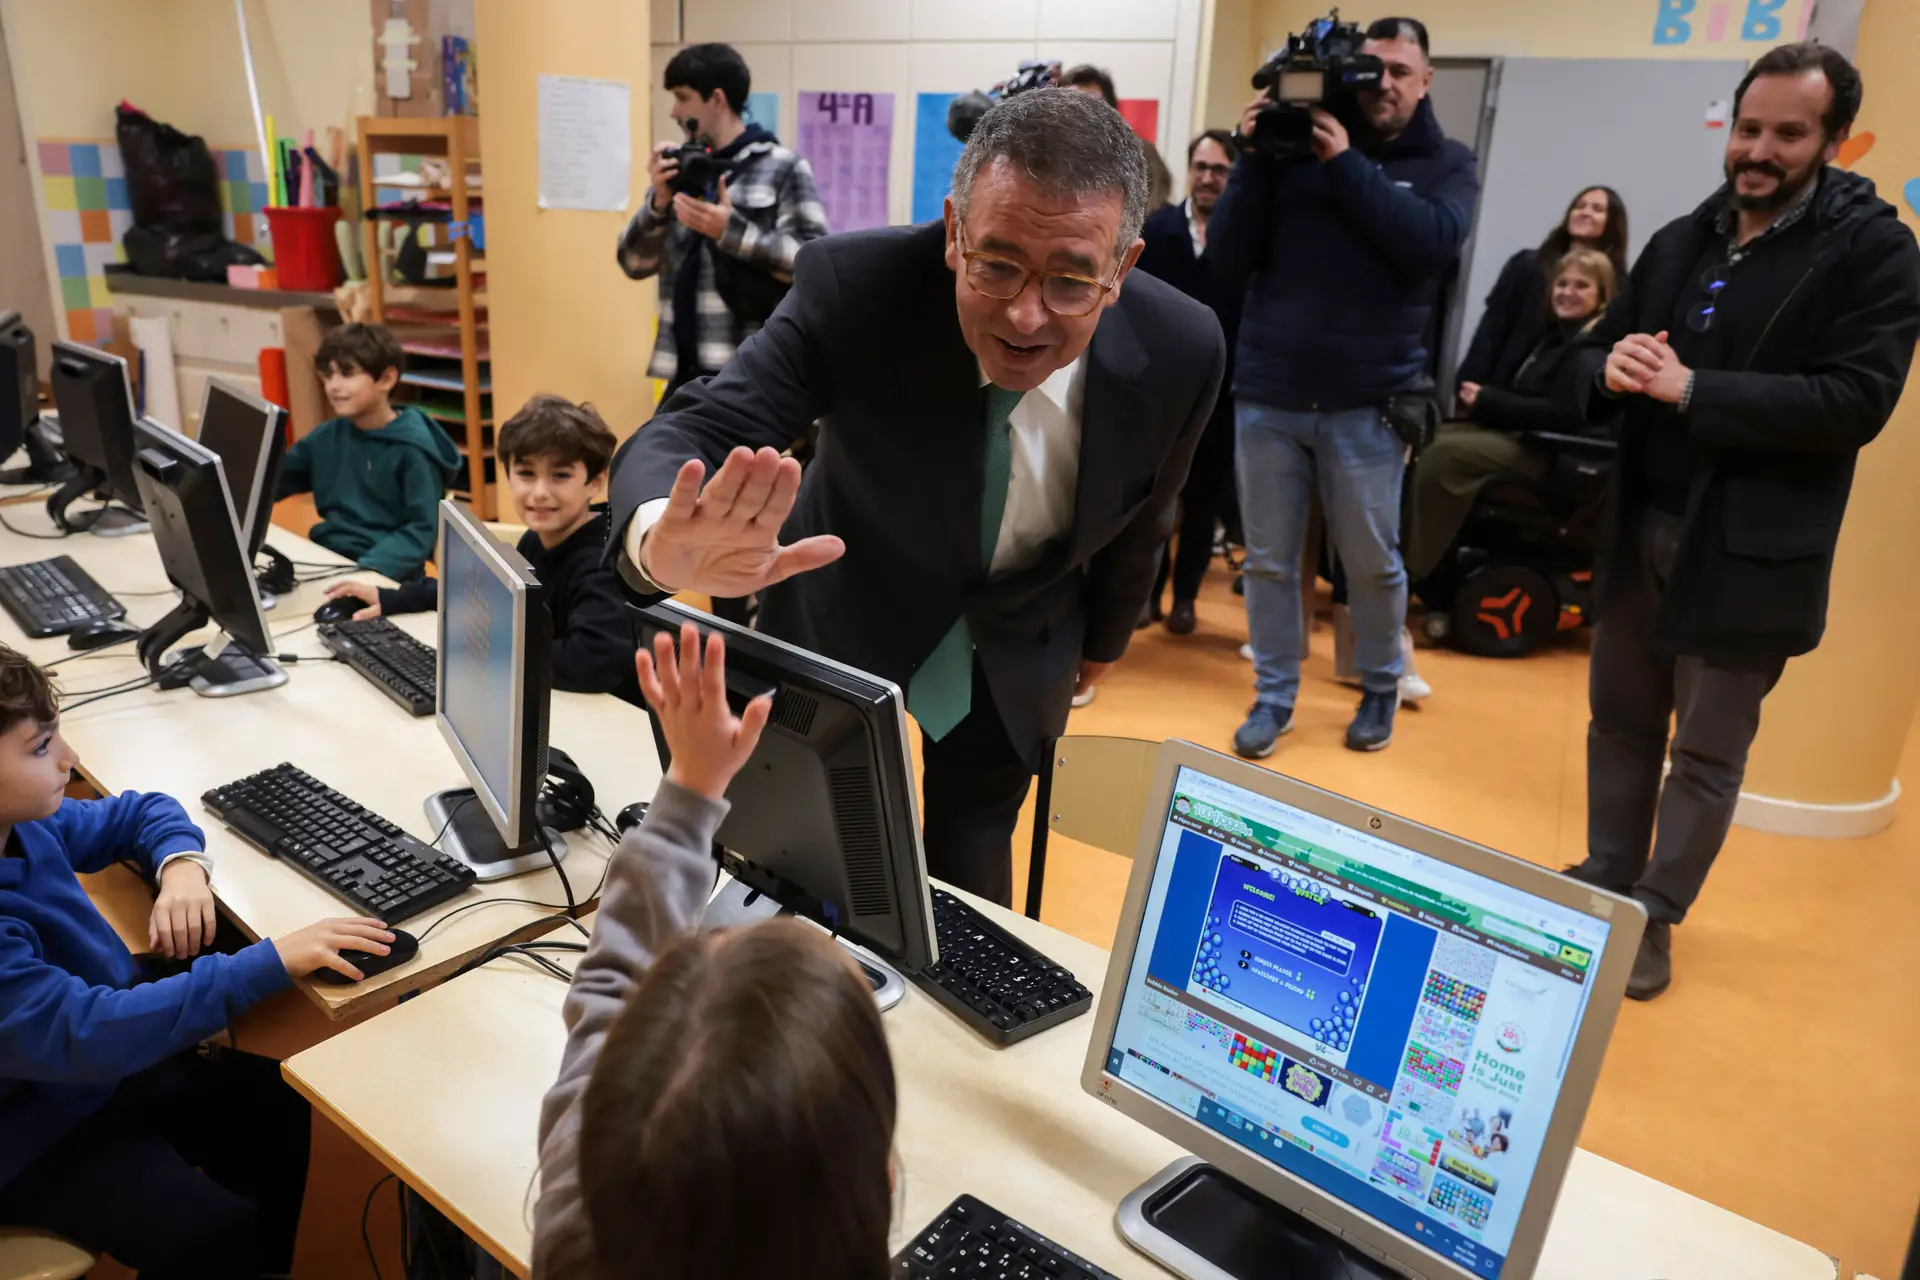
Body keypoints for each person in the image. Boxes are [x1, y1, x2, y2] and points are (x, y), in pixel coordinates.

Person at [606, 89, 1224, 907]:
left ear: (1124, 266)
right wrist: (659, 538)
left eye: (1073, 280)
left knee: (968, 894)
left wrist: (1103, 640)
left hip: (1017, 641)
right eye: (995, 264)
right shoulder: (856, 288)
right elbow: (697, 422)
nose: (1026, 314)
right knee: (807, 868)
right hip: (849, 614)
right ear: (954, 230)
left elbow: (1148, 511)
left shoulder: (1184, 348)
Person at [1562, 42, 1920, 1000]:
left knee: (1707, 752)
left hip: (1751, 549)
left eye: (1788, 134)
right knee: (1620, 721)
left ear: (1833, 139)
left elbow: (1855, 400)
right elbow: (1600, 348)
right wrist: (1611, 368)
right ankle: (1604, 878)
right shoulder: (1684, 236)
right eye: (1749, 128)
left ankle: (1653, 917)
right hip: (1641, 522)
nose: (1759, 150)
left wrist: (1692, 389)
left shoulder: (1877, 250)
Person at [0, 644, 398, 1276]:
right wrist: (268, 962)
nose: (70, 760)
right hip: (31, 1131)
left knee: (274, 1099)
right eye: (42, 746)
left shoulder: (23, 824)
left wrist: (181, 870)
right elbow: (85, 1033)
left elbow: (140, 810)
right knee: (213, 1233)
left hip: (76, 1072)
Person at [532, 624, 896, 1280]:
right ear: (883, 1185)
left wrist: (686, 800)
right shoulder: (580, 1177)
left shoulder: (576, 1205)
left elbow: (608, 990)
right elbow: (610, 1001)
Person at [1208, 17, 1479, 758]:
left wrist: (1346, 164)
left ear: (1426, 82)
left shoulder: (1445, 162)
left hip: (1370, 403)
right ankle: (1274, 696)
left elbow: (1430, 243)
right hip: (1270, 393)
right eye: (1374, 70)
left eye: (1401, 71)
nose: (1385, 84)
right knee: (1266, 560)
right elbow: (1227, 259)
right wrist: (1256, 158)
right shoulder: (1291, 154)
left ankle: (1381, 683)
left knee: (1370, 562)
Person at [322, 394, 642, 704]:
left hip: (614, 718)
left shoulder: (602, 558)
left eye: (561, 476)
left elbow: (589, 663)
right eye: (526, 474)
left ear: (596, 482)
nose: (540, 492)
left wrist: (487, 647)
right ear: (508, 475)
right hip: (559, 702)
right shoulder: (536, 540)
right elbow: (484, 591)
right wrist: (393, 597)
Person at [620, 43, 829, 404]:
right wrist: (658, 203)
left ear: (716, 99)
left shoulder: (783, 168)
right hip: (681, 373)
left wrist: (730, 232)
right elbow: (633, 263)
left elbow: (813, 265)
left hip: (751, 372)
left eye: (683, 98)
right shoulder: (681, 171)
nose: (673, 111)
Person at [1408, 246, 1616, 579]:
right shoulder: (1554, 338)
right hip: (1531, 440)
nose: (1567, 293)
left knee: (1445, 456)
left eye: (1581, 286)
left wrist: (1490, 401)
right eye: (1562, 284)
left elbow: (1561, 415)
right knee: (1433, 436)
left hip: (1557, 455)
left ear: (1603, 295)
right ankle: (1409, 553)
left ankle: (1416, 568)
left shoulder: (1591, 350)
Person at [1137, 129, 1243, 636]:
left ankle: (1186, 598)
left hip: (1221, 396)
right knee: (1154, 501)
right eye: (1200, 167)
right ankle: (1147, 597)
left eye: (1219, 170)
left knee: (1202, 501)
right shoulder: (1156, 233)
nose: (1207, 179)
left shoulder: (1245, 237)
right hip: (1160, 395)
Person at [276, 323, 462, 582]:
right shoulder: (327, 436)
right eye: (328, 375)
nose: (334, 386)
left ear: (386, 378)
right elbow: (273, 480)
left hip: (386, 577)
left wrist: (366, 574)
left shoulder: (413, 451)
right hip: (331, 560)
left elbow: (421, 530)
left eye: (347, 374)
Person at [1458, 186, 1630, 395]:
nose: (1585, 212)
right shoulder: (1528, 265)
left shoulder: (1619, 283)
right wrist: (1468, 381)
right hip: (1504, 382)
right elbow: (1493, 327)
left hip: (1558, 396)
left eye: (1597, 209)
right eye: (1579, 206)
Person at [1061, 63, 1174, 211]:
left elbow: (1156, 214)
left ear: (1111, 110)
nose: (1081, 114)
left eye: (1091, 105)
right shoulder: (1043, 155)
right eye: (1070, 105)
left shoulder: (1141, 154)